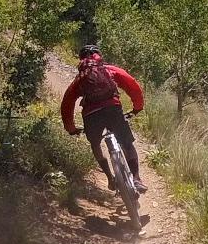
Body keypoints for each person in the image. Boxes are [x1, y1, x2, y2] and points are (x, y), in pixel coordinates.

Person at [60, 43, 147, 193]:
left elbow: (67, 103)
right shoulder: (109, 70)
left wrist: (71, 129)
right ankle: (136, 179)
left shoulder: (80, 79)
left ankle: (110, 178)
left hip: (91, 115)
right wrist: (137, 107)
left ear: (81, 60)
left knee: (95, 145)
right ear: (99, 56)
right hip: (112, 109)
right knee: (126, 144)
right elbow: (132, 85)